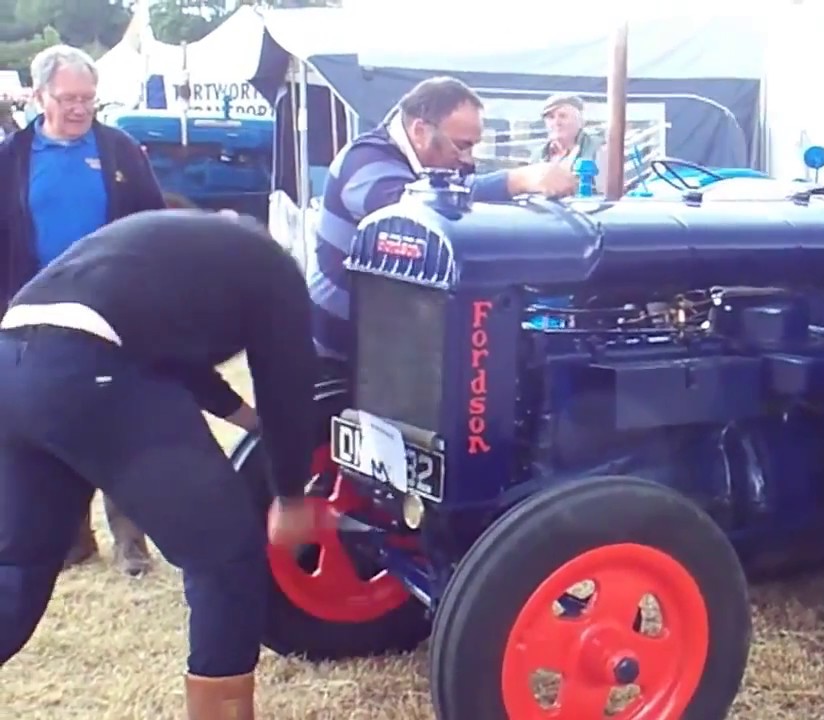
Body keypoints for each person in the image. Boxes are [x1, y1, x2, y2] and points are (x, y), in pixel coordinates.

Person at [0, 209, 323, 718]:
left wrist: (251, 422)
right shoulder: (278, 274)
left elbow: (177, 363)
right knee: (225, 553)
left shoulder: (181, 254)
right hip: (88, 364)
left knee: (18, 565)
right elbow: (288, 383)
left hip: (13, 363)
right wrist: (290, 495)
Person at [0, 44, 166, 576]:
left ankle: (131, 542)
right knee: (54, 426)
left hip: (113, 311)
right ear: (39, 96)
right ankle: (73, 539)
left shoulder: (120, 150)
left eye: (88, 98)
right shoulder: (12, 158)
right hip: (35, 315)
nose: (79, 108)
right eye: (68, 98)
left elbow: (153, 223)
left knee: (120, 424)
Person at [310, 75, 578, 364]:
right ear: (420, 130)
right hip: (340, 355)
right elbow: (413, 212)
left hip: (388, 347)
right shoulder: (364, 161)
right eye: (461, 146)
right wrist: (516, 181)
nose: (468, 160)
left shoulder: (432, 168)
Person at [534, 92, 606, 170]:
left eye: (563, 116)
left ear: (580, 122)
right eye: (551, 117)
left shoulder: (597, 148)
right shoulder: (538, 155)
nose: (556, 122)